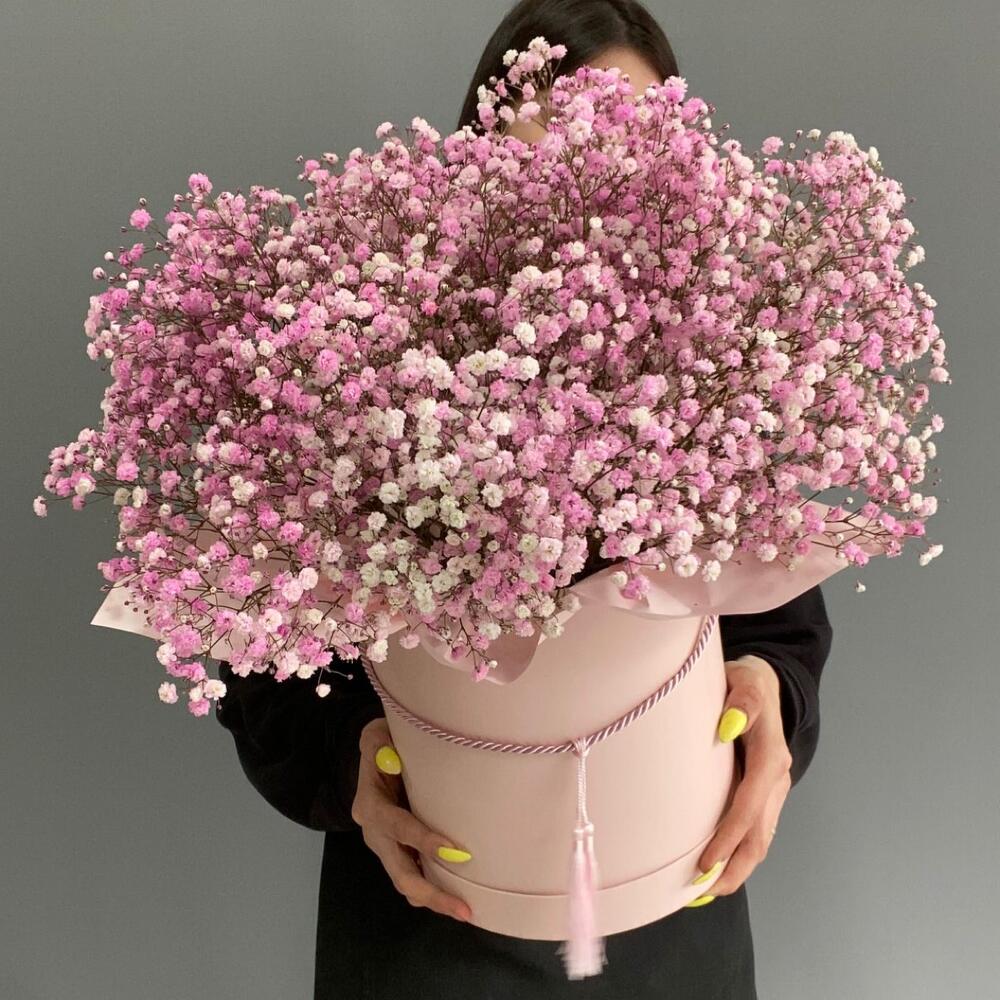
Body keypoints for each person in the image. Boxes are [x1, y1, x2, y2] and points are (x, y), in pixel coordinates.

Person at [215, 3, 835, 997]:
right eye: (559, 129)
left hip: (671, 918)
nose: (592, 166)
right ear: (484, 144)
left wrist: (769, 695)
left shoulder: (717, 359)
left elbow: (779, 611)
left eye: (628, 134)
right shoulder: (362, 345)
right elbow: (263, 640)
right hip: (434, 917)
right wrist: (352, 763)